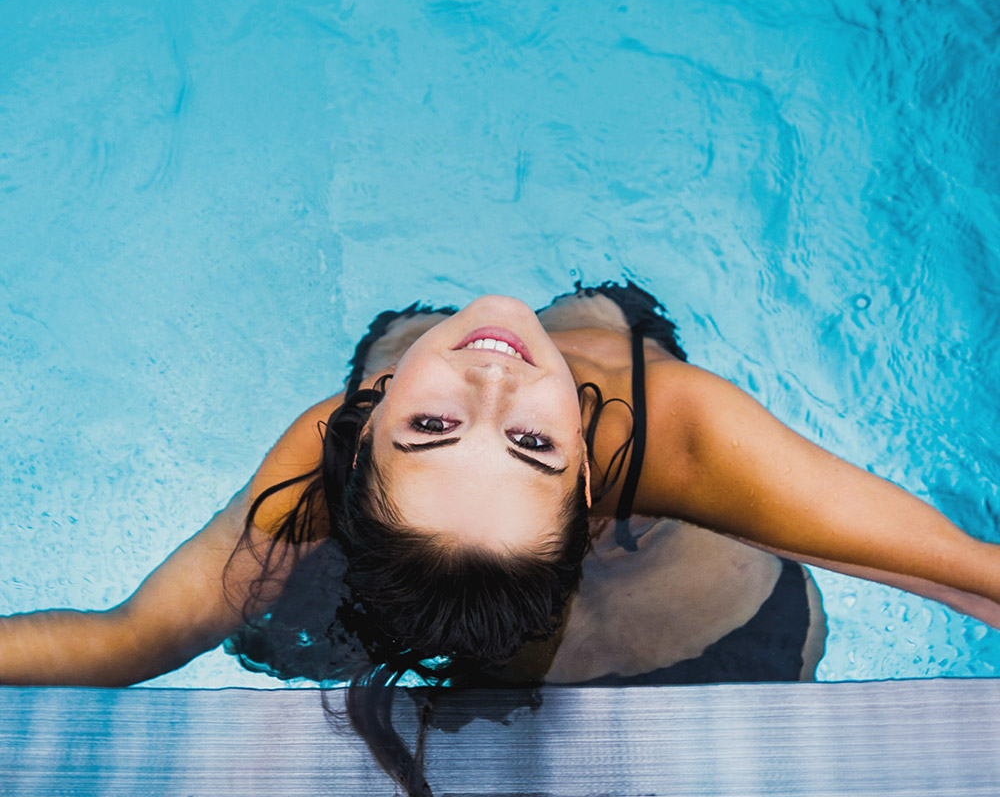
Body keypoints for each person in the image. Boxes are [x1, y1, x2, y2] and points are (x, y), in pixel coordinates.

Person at [3, 280, 999, 795]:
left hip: (681, 654)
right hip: (740, 645)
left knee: (447, 331)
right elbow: (967, 576)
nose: (488, 381)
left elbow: (131, 637)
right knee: (603, 312)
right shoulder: (667, 424)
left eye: (432, 427)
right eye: (526, 439)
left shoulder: (340, 437)